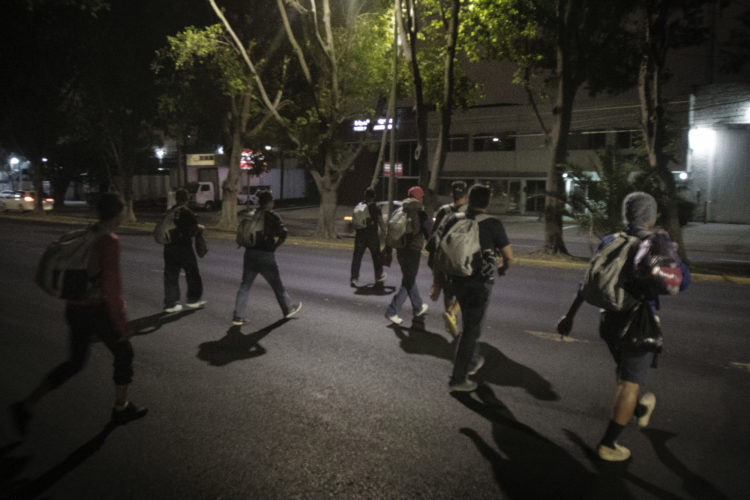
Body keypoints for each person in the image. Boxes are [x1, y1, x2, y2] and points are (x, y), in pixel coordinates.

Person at [556, 191, 691, 462]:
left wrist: (569, 316)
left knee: (626, 375)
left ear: (625, 215)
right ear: (652, 217)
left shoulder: (610, 240)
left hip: (609, 322)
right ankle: (608, 445)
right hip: (638, 325)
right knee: (628, 384)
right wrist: (664, 242)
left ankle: (639, 409)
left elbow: (588, 281)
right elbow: (682, 281)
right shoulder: (653, 243)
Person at [10, 193, 148, 435]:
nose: (125, 214)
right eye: (124, 210)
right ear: (117, 214)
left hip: (75, 309)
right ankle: (120, 407)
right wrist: (122, 323)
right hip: (98, 311)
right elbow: (112, 288)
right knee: (124, 353)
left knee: (74, 362)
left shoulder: (89, 234)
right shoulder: (109, 241)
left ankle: (26, 405)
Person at [443, 184, 513, 392]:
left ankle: (471, 362)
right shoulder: (493, 224)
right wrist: (502, 267)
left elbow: (439, 247)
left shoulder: (454, 219)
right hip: (479, 282)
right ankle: (458, 378)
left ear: (468, 199)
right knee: (471, 330)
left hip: (456, 279)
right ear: (487, 202)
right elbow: (509, 256)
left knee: (471, 326)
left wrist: (439, 283)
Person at [232, 190, 302, 325]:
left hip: (250, 254)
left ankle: (238, 316)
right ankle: (287, 308)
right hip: (266, 255)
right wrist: (275, 247)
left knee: (245, 286)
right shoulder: (272, 216)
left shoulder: (251, 214)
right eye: (272, 201)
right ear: (269, 202)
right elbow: (283, 233)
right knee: (277, 285)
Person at [385, 185, 431, 325]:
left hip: (400, 250)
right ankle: (392, 311)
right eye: (421, 196)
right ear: (419, 198)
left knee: (409, 278)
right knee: (408, 281)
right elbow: (429, 233)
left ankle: (418, 307)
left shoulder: (398, 210)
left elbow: (390, 230)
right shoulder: (420, 212)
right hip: (413, 250)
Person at [427, 180, 468, 338]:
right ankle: (452, 314)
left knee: (447, 291)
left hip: (443, 258)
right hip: (461, 258)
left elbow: (435, 236)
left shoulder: (443, 210)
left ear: (452, 194)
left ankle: (451, 322)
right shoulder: (469, 212)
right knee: (465, 292)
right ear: (466, 195)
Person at [163, 188, 204, 313]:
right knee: (192, 273)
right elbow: (193, 229)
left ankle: (171, 303)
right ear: (187, 199)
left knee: (171, 275)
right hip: (184, 248)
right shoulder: (187, 212)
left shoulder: (170, 212)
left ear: (176, 199)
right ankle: (193, 299)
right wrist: (200, 229)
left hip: (169, 247)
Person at [350, 187, 387, 288]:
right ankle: (378, 277)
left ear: (365, 196)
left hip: (360, 235)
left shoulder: (359, 206)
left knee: (357, 257)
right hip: (372, 236)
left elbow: (354, 222)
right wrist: (385, 232)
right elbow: (380, 222)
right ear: (374, 196)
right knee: (376, 257)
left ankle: (354, 278)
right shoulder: (375, 207)